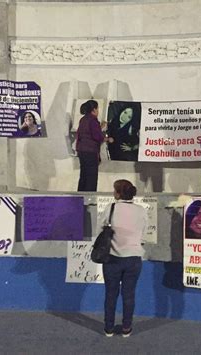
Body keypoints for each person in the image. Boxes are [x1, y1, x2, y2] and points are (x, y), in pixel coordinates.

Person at [99, 179, 147, 338]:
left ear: (118, 193)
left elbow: (101, 227)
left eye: (114, 190)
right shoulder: (141, 210)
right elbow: (143, 235)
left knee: (110, 295)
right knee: (129, 295)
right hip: (134, 259)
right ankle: (127, 328)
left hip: (112, 259)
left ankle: (109, 328)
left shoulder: (111, 208)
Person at [76, 100, 109, 191]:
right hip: (90, 152)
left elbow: (87, 132)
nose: (98, 111)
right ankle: (90, 199)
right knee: (91, 177)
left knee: (84, 176)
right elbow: (96, 136)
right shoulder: (93, 120)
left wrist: (100, 127)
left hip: (81, 151)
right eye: (97, 109)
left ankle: (81, 197)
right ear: (94, 109)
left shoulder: (83, 119)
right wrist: (108, 139)